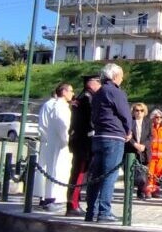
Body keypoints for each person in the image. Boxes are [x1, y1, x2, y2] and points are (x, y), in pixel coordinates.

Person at [85, 63, 132, 223]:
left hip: (99, 136)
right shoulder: (115, 92)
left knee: (96, 176)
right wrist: (128, 130)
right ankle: (104, 212)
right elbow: (125, 113)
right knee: (109, 175)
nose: (122, 78)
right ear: (114, 76)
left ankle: (91, 211)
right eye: (120, 75)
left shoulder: (98, 93)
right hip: (114, 137)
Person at [34, 83, 74, 212]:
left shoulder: (54, 105)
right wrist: (67, 140)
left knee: (51, 170)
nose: (72, 94)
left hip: (51, 141)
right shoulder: (60, 107)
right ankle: (52, 199)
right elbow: (63, 126)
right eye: (71, 91)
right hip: (58, 143)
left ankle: (48, 197)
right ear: (64, 92)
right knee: (56, 170)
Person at [65, 74, 100, 217]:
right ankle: (72, 204)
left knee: (78, 173)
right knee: (79, 174)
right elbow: (91, 120)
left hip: (80, 141)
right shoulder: (87, 98)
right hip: (84, 142)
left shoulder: (82, 97)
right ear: (92, 83)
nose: (100, 86)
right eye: (99, 82)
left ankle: (74, 202)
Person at [126, 102, 152, 200]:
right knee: (130, 173)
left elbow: (151, 136)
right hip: (131, 150)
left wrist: (144, 145)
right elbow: (127, 135)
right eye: (136, 110)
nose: (139, 113)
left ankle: (140, 192)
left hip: (144, 152)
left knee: (142, 174)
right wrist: (135, 144)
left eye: (141, 110)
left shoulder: (148, 122)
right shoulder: (130, 121)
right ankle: (128, 192)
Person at [146, 109, 162, 198]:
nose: (159, 119)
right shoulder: (149, 128)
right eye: (157, 117)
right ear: (152, 118)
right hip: (151, 156)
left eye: (161, 117)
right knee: (150, 174)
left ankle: (156, 191)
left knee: (159, 174)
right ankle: (148, 191)